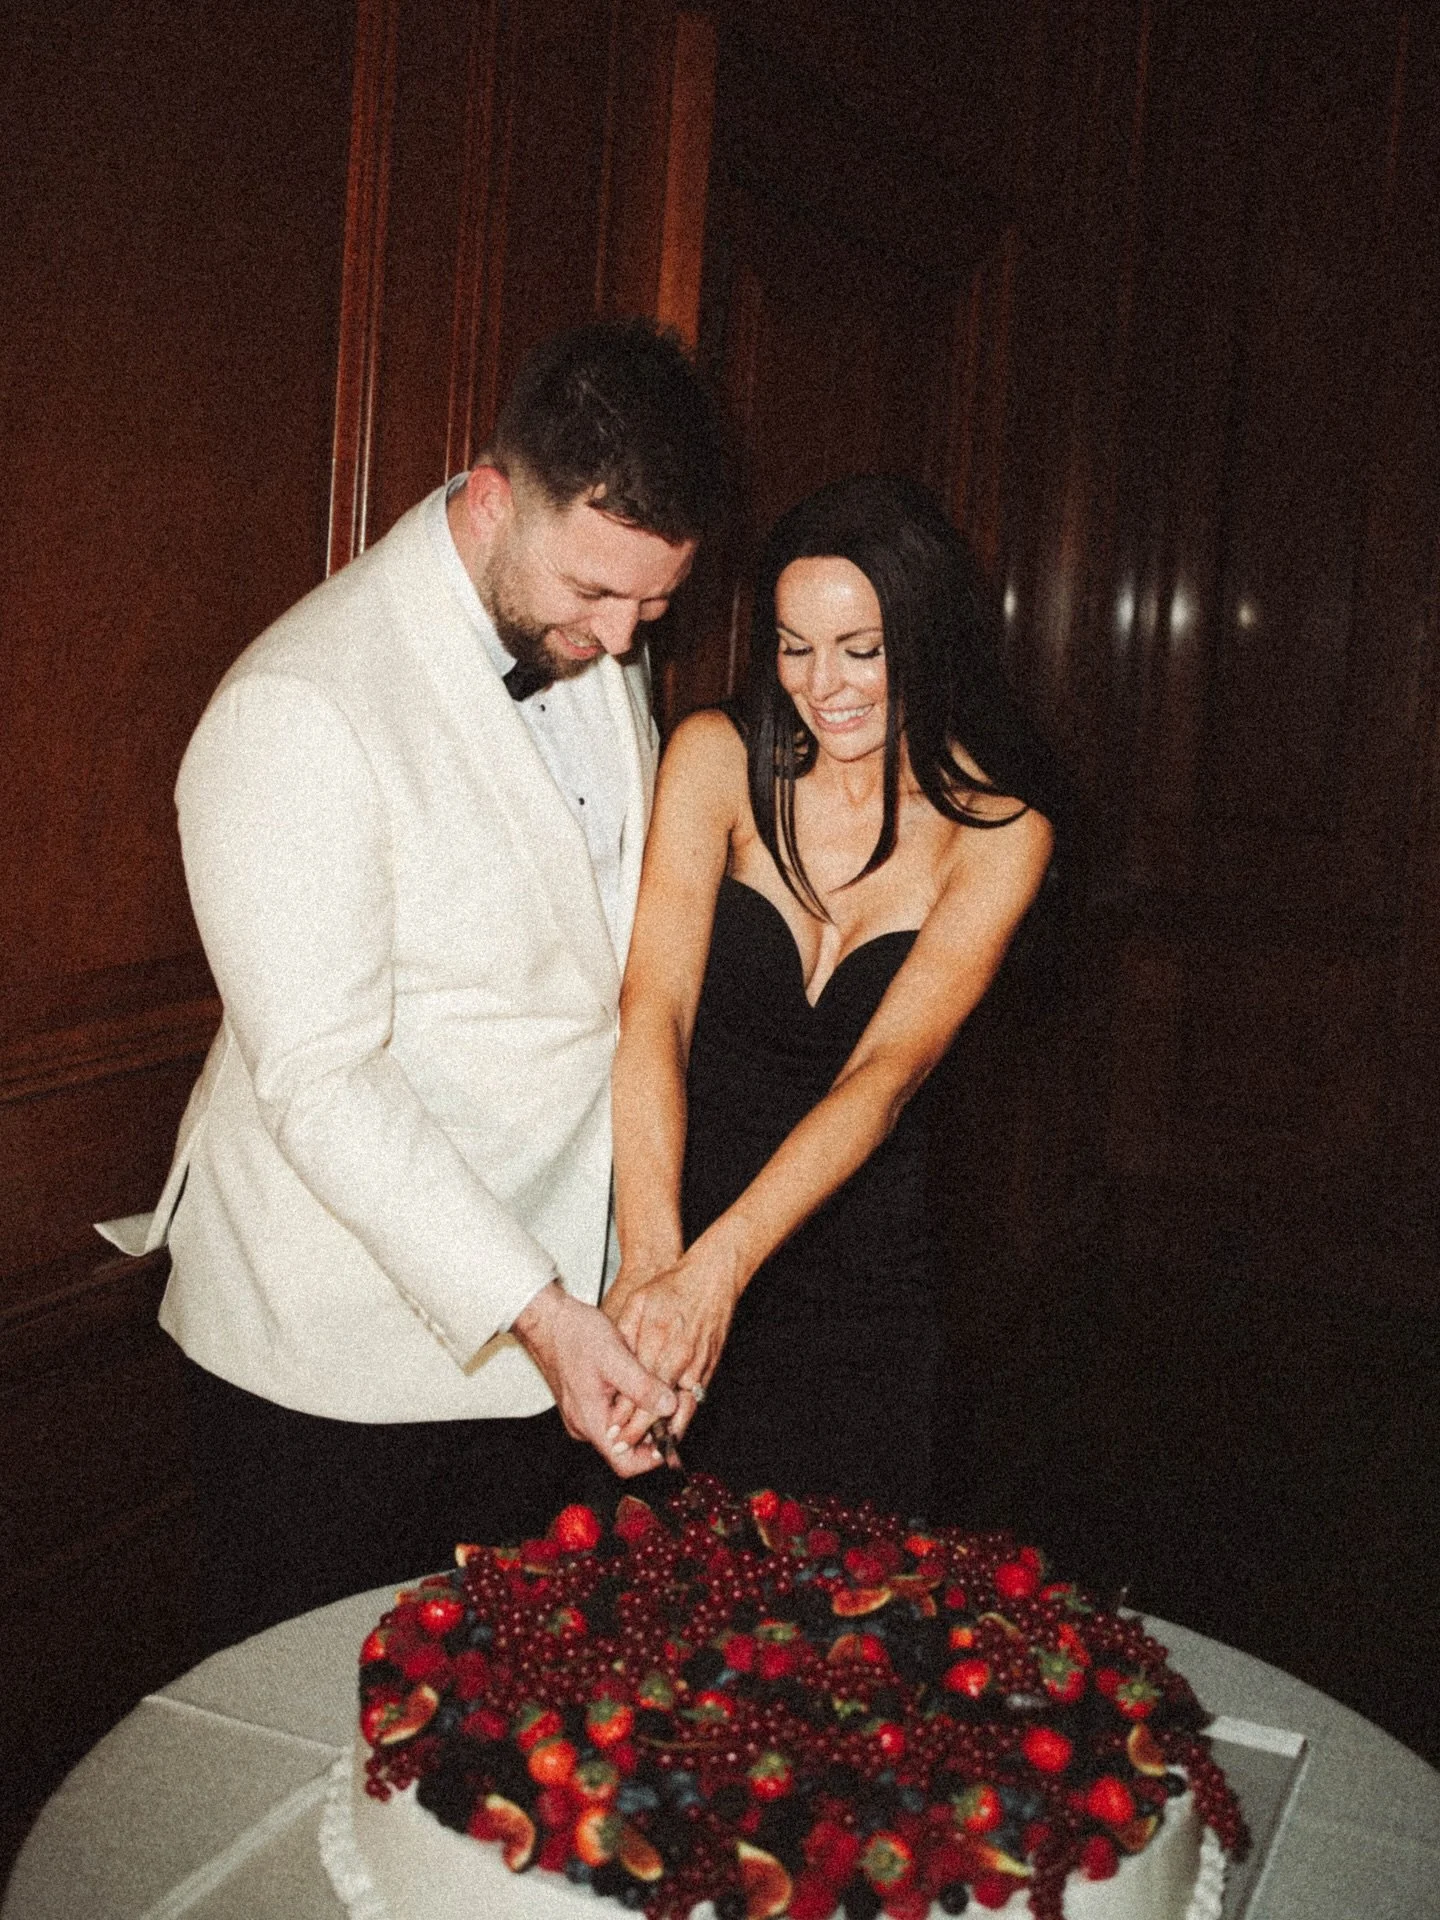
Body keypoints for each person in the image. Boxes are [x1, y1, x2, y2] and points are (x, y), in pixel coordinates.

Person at [137, 319, 725, 1643]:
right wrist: (542, 1313)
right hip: (331, 1363)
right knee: (316, 1723)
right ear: (494, 495)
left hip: (550, 1346)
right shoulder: (301, 701)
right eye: (596, 592)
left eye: (653, 607)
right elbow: (323, 1082)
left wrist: (632, 1265)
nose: (621, 637)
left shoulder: (594, 632)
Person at [604, 474, 1062, 1515]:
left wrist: (718, 1275)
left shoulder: (1001, 832)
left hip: (861, 1288)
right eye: (793, 646)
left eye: (863, 649)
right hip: (675, 1239)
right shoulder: (717, 758)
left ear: (929, 640)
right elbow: (654, 1012)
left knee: (841, 1601)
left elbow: (882, 1078)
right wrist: (652, 1263)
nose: (823, 685)